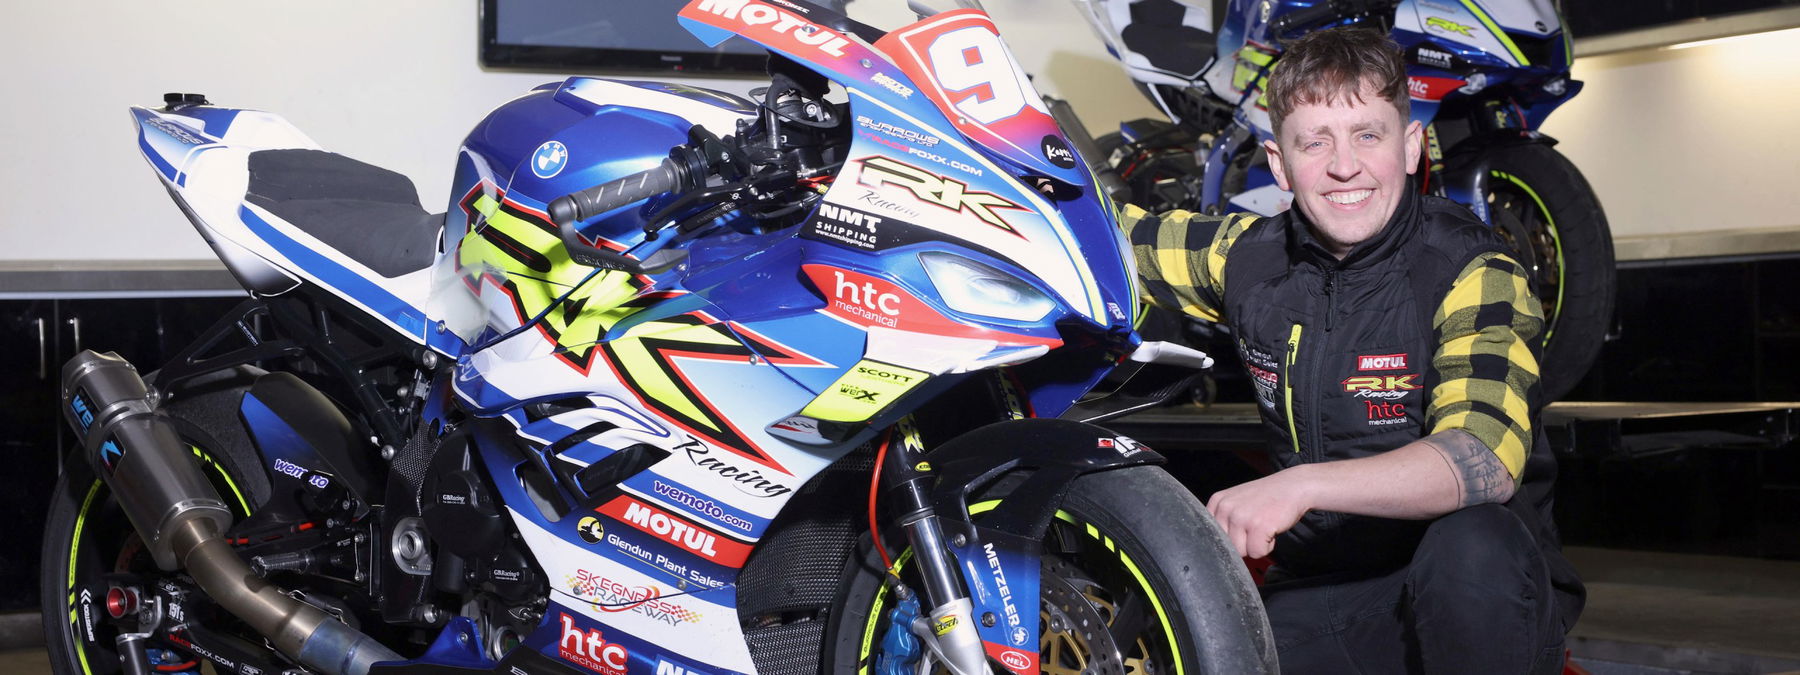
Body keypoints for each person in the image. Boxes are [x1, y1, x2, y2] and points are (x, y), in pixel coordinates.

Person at [1120, 27, 1584, 674]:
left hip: (1469, 592)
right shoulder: (1246, 257)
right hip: (1319, 591)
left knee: (1472, 540)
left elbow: (1481, 457)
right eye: (1315, 142)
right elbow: (1102, 237)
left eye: (1368, 135)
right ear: (1279, 163)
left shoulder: (1472, 268)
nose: (1344, 166)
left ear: (1412, 146)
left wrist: (1301, 486)